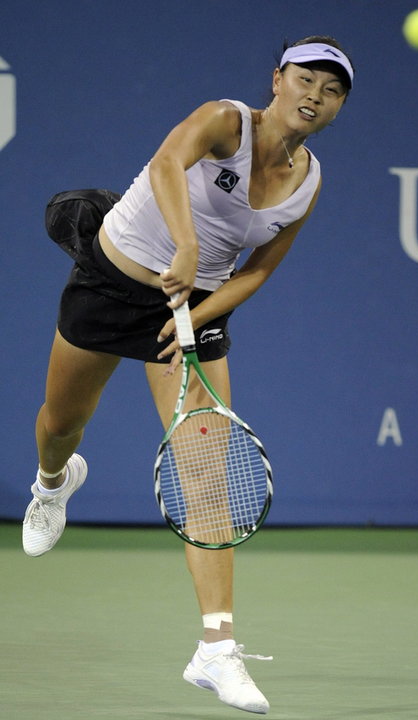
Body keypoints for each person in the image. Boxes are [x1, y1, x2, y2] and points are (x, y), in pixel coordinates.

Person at [22, 35, 354, 714]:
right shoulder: (225, 120)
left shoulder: (309, 183)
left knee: (204, 467)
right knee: (61, 424)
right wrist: (189, 241)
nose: (315, 96)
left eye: (332, 89)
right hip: (113, 281)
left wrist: (194, 316)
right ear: (277, 81)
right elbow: (171, 160)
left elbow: (258, 270)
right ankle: (53, 485)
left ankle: (215, 650)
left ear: (339, 106)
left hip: (190, 310)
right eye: (306, 79)